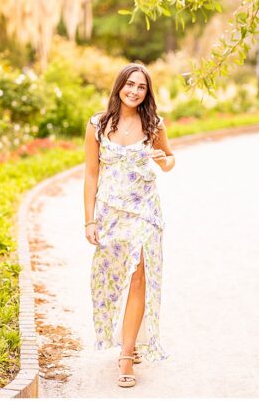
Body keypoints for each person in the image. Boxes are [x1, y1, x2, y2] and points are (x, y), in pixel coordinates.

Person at [83, 64, 174, 388]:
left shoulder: (153, 125)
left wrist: (162, 158)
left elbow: (169, 160)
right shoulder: (98, 125)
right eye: (130, 84)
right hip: (110, 213)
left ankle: (127, 354)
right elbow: (91, 174)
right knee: (110, 278)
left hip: (145, 213)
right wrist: (90, 220)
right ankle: (124, 338)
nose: (135, 91)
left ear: (147, 93)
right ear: (119, 86)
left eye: (142, 87)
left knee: (138, 278)